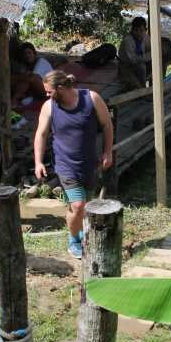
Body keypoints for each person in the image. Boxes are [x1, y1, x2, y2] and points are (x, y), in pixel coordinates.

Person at [33, 70, 114, 259]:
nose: (46, 95)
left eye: (49, 91)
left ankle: (81, 232)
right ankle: (74, 240)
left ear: (61, 88)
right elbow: (41, 134)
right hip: (65, 165)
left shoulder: (91, 99)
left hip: (89, 164)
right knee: (78, 205)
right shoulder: (49, 107)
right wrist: (38, 162)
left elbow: (107, 124)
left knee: (84, 207)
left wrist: (108, 151)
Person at [117, 16, 150, 91]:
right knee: (141, 67)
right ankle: (143, 89)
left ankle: (154, 87)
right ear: (132, 30)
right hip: (126, 67)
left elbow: (150, 48)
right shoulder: (128, 41)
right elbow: (133, 60)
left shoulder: (145, 37)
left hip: (139, 63)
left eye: (141, 30)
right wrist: (149, 56)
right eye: (136, 30)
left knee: (157, 63)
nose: (138, 33)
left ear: (145, 30)